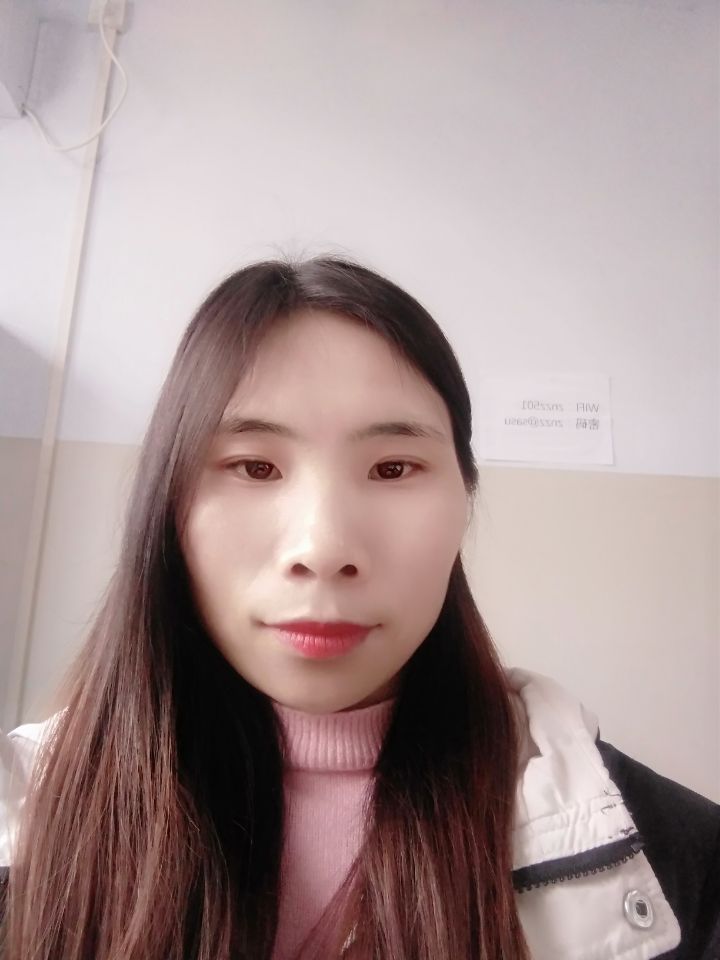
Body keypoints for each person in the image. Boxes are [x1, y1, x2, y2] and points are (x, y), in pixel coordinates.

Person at [0, 256, 717, 960]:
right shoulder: (20, 819)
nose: (323, 547)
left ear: (465, 499)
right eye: (254, 466)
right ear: (168, 504)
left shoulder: (672, 865)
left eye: (393, 468)